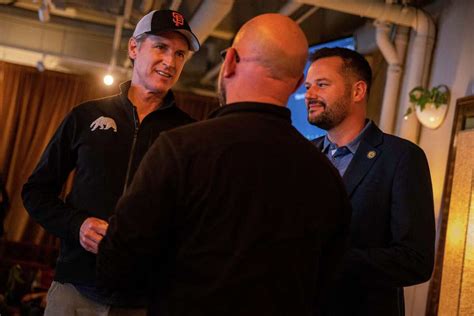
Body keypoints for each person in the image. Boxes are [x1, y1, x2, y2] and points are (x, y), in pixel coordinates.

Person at [97, 13, 351, 315]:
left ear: (229, 62)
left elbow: (117, 266)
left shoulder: (180, 149)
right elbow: (330, 285)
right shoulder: (327, 177)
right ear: (298, 82)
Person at [22, 9, 199, 315]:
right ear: (134, 48)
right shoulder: (85, 116)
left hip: (141, 302)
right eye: (161, 47)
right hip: (73, 294)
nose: (170, 62)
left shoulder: (190, 133)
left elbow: (193, 218)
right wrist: (77, 225)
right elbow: (35, 193)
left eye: (180, 54)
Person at [304, 47, 435, 316]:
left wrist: (324, 261)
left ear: (357, 91)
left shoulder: (401, 157)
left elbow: (415, 260)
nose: (309, 95)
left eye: (322, 84)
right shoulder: (303, 154)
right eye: (308, 86)